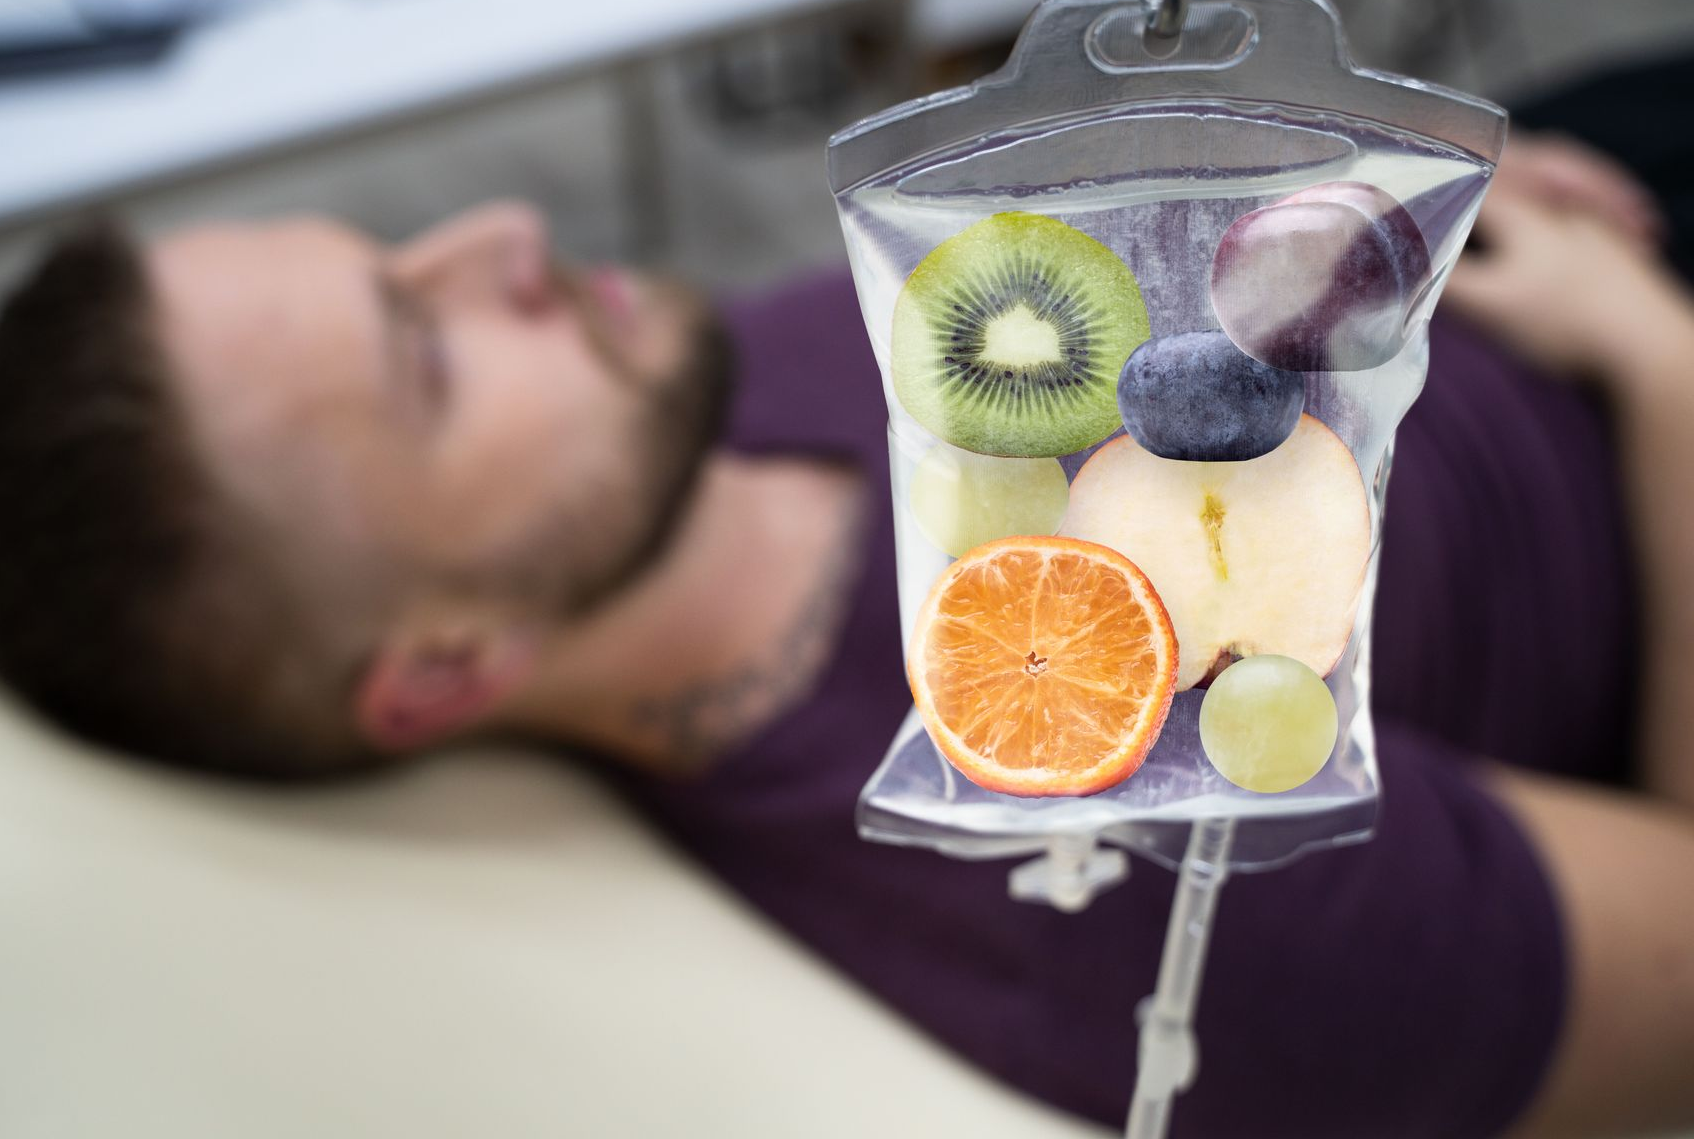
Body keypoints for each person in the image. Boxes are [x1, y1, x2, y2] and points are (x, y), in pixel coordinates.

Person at [1, 56, 1692, 1138]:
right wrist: (1660, 366)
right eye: (426, 351)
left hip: (1522, 225)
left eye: (391, 252)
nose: (503, 233)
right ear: (444, 668)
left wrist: (1391, 218)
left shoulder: (694, 406)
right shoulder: (1105, 876)